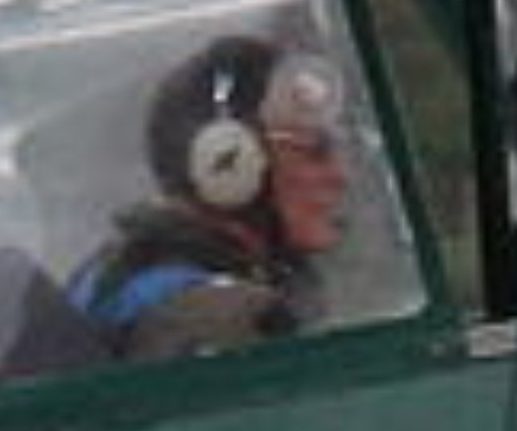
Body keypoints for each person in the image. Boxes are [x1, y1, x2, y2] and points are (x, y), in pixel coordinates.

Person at [71, 32, 352, 358]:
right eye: (314, 152)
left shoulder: (116, 273)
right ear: (230, 163)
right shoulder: (222, 322)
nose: (339, 176)